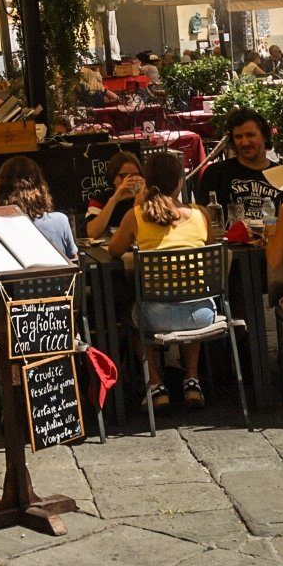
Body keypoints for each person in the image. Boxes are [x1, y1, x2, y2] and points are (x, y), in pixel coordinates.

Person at [109, 149, 213, 410]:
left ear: (147, 181)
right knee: (191, 295)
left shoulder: (136, 216)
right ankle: (192, 380)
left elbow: (113, 250)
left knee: (129, 314)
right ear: (180, 181)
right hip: (203, 315)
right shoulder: (201, 214)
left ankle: (156, 386)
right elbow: (211, 251)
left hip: (155, 316)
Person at [0, 156, 77, 261]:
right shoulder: (60, 221)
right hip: (56, 277)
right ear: (41, 186)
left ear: (1, 188)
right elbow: (74, 261)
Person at [199, 108, 282, 221]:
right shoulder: (216, 173)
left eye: (250, 135)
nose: (245, 142)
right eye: (238, 137)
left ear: (265, 136)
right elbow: (204, 221)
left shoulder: (280, 174)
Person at [84, 151, 145, 240]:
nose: (131, 180)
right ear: (113, 178)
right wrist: (114, 200)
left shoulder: (146, 198)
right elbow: (92, 233)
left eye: (136, 175)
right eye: (124, 176)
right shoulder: (99, 200)